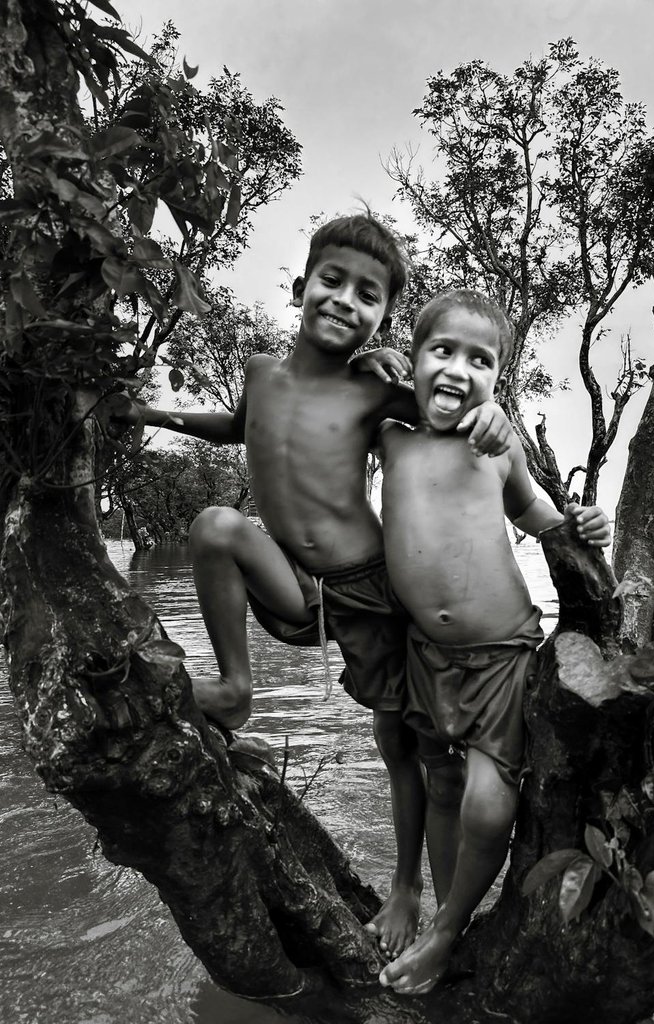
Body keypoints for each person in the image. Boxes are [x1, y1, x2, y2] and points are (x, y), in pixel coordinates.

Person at [118, 214, 516, 960]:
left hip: (369, 588)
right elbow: (236, 426)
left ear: (382, 318)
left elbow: (450, 405)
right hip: (297, 585)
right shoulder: (260, 371)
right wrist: (143, 410)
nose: (344, 300)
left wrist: (487, 406)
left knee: (406, 745)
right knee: (214, 526)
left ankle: (410, 894)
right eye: (332, 281)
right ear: (301, 287)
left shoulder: (373, 390)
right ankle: (236, 687)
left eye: (367, 295)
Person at [377, 288, 611, 995]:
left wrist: (586, 525)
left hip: (503, 651)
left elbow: (544, 521)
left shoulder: (498, 443)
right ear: (413, 361)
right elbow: (350, 391)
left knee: (486, 796)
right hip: (423, 654)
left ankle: (445, 933)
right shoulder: (391, 437)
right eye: (441, 351)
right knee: (441, 784)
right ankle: (447, 917)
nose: (458, 369)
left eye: (480, 360)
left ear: (499, 378)